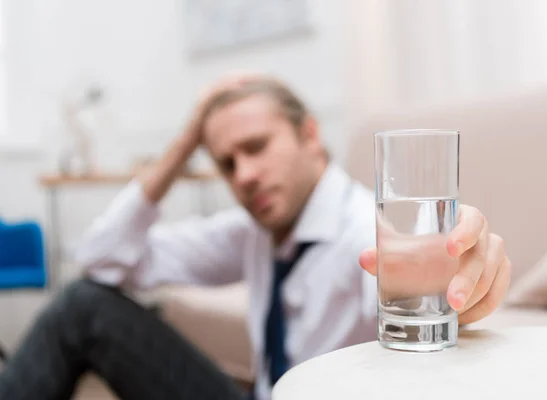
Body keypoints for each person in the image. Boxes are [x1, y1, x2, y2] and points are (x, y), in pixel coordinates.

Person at [0, 75, 511, 400]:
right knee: (84, 304)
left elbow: (427, 296)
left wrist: (461, 286)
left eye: (256, 147)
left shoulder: (368, 231)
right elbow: (100, 259)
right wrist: (182, 147)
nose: (242, 174)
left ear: (310, 135)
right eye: (226, 162)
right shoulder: (253, 233)